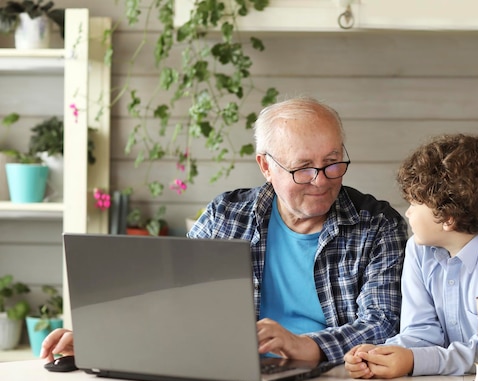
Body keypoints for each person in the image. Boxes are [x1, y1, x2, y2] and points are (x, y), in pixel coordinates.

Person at [41, 97, 408, 365]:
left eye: (332, 163)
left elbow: (383, 323)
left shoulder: (377, 225)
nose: (321, 180)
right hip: (228, 370)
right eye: (303, 168)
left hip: (332, 379)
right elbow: (176, 298)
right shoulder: (226, 215)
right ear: (266, 166)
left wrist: (305, 347)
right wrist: (102, 338)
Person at [343, 133, 478, 379]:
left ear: (449, 217)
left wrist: (416, 362)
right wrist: (382, 354)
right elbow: (420, 333)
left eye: (415, 203)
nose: (407, 212)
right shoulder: (418, 250)